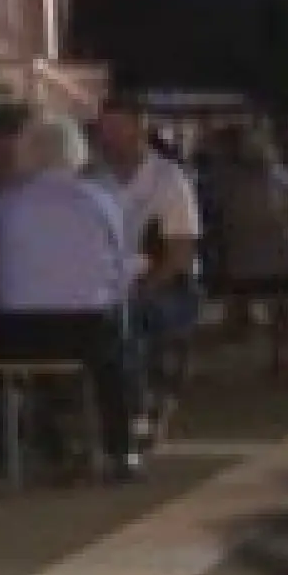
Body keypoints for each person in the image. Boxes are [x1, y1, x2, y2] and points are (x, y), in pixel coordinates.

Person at [0, 111, 143, 479]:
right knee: (114, 355)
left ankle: (51, 442)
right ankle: (121, 447)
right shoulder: (99, 198)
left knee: (36, 367)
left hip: (16, 331)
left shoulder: (2, 203)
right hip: (86, 328)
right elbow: (121, 261)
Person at [93, 98, 204, 437]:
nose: (109, 136)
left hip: (160, 280)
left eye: (117, 127)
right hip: (102, 283)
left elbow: (180, 251)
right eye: (105, 128)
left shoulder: (168, 179)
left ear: (139, 127)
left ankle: (144, 404)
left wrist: (143, 285)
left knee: (139, 317)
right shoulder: (92, 178)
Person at [199, 123, 288, 386]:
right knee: (285, 311)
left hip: (244, 259)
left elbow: (213, 214)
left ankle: (280, 359)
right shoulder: (281, 178)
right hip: (282, 254)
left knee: (272, 308)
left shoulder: (224, 182)